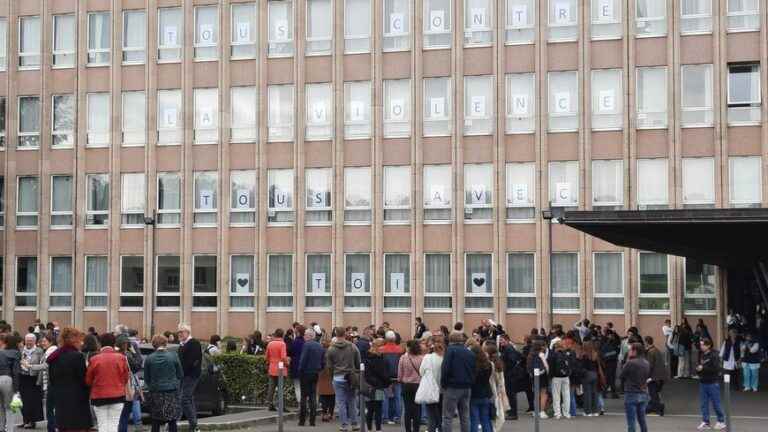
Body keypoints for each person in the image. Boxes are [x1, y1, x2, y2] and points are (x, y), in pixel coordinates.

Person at [48, 327, 93, 432]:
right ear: (73, 340)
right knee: (77, 427)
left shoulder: (54, 356)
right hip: (76, 399)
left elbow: (52, 378)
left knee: (63, 427)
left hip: (60, 397)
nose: (81, 343)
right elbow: (83, 379)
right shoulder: (77, 356)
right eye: (79, 340)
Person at [85, 333, 129, 432]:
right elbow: (126, 378)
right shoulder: (121, 358)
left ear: (100, 343)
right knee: (114, 424)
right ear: (114, 343)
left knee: (102, 424)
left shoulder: (94, 359)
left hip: (99, 396)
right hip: (117, 395)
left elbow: (88, 381)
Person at [144, 334, 183, 432]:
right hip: (171, 391)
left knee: (156, 420)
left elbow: (147, 378)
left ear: (154, 344)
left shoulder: (149, 358)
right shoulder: (173, 356)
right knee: (172, 419)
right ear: (165, 343)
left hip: (156, 391)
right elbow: (180, 374)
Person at [325, 327, 362, 432]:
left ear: (335, 335)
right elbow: (358, 362)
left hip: (338, 377)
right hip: (351, 376)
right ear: (345, 334)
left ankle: (343, 425)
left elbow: (329, 366)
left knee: (341, 402)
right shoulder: (352, 347)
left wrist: (332, 376)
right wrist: (356, 372)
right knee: (352, 401)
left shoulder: (331, 349)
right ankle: (354, 424)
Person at [441, 331, 475, 432]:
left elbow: (445, 368)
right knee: (465, 416)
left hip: (452, 387)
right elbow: (474, 369)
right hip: (467, 387)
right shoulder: (470, 352)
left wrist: (444, 384)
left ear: (450, 340)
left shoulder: (450, 351)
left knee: (448, 416)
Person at [26, 332, 56, 432]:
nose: (42, 343)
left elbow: (45, 366)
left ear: (51, 342)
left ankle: (51, 428)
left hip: (51, 383)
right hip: (49, 383)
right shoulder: (48, 351)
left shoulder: (51, 351)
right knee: (51, 408)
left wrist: (30, 366)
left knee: (50, 408)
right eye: (42, 341)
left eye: (44, 341)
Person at [620, 343, 651, 432]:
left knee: (631, 421)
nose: (629, 351)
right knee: (642, 420)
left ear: (635, 351)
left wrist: (627, 360)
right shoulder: (646, 363)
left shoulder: (630, 363)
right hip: (643, 392)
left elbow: (622, 375)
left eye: (630, 350)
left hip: (631, 392)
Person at [177, 323, 202, 432]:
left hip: (191, 375)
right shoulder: (182, 344)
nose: (179, 334)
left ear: (187, 332)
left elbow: (192, 361)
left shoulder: (194, 343)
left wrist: (182, 372)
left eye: (181, 332)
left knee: (184, 399)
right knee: (188, 399)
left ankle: (193, 425)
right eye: (178, 332)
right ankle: (192, 424)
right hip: (184, 376)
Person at [697, 338, 726, 430]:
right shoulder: (702, 355)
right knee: (703, 404)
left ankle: (721, 421)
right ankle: (706, 422)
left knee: (716, 403)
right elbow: (700, 367)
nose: (701, 346)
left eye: (703, 345)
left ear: (708, 345)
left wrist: (703, 369)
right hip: (703, 382)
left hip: (712, 383)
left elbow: (716, 369)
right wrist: (698, 370)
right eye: (700, 345)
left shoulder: (715, 355)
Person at [297, 328, 324, 426]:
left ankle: (302, 420)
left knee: (304, 396)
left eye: (305, 335)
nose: (304, 336)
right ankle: (312, 421)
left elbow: (303, 359)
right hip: (315, 373)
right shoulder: (319, 346)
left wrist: (300, 370)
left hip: (305, 373)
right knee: (313, 396)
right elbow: (323, 361)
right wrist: (319, 369)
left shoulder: (306, 345)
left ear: (309, 336)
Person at [364, 339, 391, 432]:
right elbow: (383, 374)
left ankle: (369, 428)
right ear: (379, 347)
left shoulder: (367, 357)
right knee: (378, 408)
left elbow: (366, 374)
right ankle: (378, 429)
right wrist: (387, 382)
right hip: (378, 386)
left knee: (370, 409)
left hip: (368, 386)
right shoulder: (380, 359)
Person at [18, 334, 44, 429]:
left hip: (33, 378)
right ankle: (25, 420)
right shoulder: (21, 350)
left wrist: (40, 380)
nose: (28, 342)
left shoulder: (39, 351)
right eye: (27, 340)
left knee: (32, 401)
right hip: (22, 377)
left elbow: (42, 365)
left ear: (34, 341)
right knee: (23, 400)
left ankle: (32, 421)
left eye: (30, 341)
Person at [419, 336, 444, 432]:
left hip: (430, 388)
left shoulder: (427, 358)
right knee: (440, 411)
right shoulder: (444, 358)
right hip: (442, 389)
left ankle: (432, 429)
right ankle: (440, 428)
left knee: (431, 413)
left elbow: (421, 372)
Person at [398, 340, 424, 432]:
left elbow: (400, 374)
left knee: (407, 409)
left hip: (406, 385)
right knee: (417, 408)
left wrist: (400, 380)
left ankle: (408, 430)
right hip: (418, 385)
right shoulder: (422, 358)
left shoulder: (403, 358)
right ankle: (416, 429)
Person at [483, 342, 509, 432]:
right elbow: (502, 381)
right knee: (498, 414)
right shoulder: (498, 363)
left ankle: (492, 429)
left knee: (493, 414)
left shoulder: (489, 364)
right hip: (497, 392)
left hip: (491, 391)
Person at [380, 331, 403, 425]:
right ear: (395, 339)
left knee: (385, 397)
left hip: (385, 377)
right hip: (397, 376)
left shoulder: (381, 349)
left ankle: (385, 417)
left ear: (386, 339)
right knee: (397, 397)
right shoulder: (400, 349)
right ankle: (397, 417)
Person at [499, 336, 525, 420]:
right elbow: (520, 356)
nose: (501, 342)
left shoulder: (508, 349)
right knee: (510, 394)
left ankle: (513, 413)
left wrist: (507, 367)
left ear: (507, 340)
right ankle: (511, 412)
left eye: (502, 340)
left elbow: (512, 360)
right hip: (511, 374)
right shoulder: (508, 348)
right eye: (500, 341)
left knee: (511, 394)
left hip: (510, 375)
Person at [468, 343, 493, 432]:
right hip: (486, 393)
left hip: (474, 394)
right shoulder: (488, 364)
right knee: (485, 419)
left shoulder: (472, 365)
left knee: (474, 419)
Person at [265, 328, 289, 411]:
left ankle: (270, 404)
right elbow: (283, 357)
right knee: (281, 388)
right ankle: (282, 405)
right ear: (282, 335)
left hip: (272, 367)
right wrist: (287, 363)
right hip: (281, 368)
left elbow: (267, 357)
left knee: (271, 387)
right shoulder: (282, 344)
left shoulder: (270, 344)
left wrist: (269, 363)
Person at [0, 334, 20, 432]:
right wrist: (16, 389)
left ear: (6, 342)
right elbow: (16, 371)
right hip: (7, 379)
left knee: (1, 407)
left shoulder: (1, 352)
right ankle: (10, 429)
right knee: (10, 408)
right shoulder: (16, 353)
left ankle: (1, 428)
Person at [644, 336, 668, 416]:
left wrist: (647, 377)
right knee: (655, 394)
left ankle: (659, 407)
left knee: (653, 394)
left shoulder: (650, 352)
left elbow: (650, 366)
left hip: (654, 377)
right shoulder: (656, 350)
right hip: (660, 376)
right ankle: (650, 408)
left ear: (647, 342)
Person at [548, 341, 571, 419]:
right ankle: (567, 413)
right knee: (566, 395)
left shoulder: (553, 355)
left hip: (556, 377)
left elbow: (551, 367)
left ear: (556, 347)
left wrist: (550, 377)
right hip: (566, 377)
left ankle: (557, 413)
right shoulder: (566, 354)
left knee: (556, 395)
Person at [526, 340, 549, 419]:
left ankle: (536, 411)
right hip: (542, 375)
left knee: (536, 394)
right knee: (543, 393)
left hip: (534, 375)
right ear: (541, 347)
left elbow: (528, 367)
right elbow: (546, 366)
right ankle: (542, 412)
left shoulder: (530, 355)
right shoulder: (541, 354)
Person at [317, 339, 336, 423]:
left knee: (323, 395)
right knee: (332, 395)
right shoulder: (332, 352)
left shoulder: (319, 352)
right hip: (331, 373)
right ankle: (331, 414)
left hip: (322, 373)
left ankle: (324, 413)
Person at [581, 341, 600, 416]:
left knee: (587, 394)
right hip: (595, 374)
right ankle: (595, 411)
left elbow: (582, 366)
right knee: (595, 393)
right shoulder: (595, 354)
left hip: (587, 374)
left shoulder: (584, 355)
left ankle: (587, 411)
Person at [288, 325, 306, 404]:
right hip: (305, 368)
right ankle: (305, 402)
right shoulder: (306, 342)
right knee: (305, 387)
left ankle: (300, 404)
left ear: (297, 332)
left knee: (297, 387)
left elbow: (290, 352)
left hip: (295, 367)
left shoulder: (294, 342)